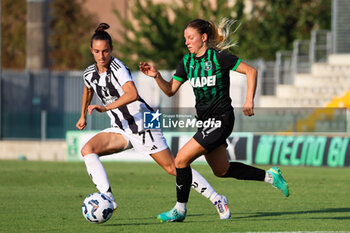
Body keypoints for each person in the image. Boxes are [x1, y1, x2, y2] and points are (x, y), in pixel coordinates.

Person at [75, 22, 232, 220]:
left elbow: (132, 94)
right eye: (97, 52)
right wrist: (82, 115)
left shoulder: (118, 68)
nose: (101, 56)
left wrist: (105, 107)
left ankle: (217, 198)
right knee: (88, 150)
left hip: (144, 120)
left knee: (174, 167)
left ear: (111, 50)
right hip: (122, 126)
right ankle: (107, 196)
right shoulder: (89, 73)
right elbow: (88, 88)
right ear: (92, 50)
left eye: (105, 51)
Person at [139, 18, 289, 222]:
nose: (187, 42)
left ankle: (180, 209)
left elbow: (251, 71)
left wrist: (248, 100)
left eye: (190, 38)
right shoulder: (186, 62)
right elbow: (170, 91)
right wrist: (156, 76)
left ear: (203, 38)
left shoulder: (218, 58)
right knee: (222, 170)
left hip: (221, 119)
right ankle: (271, 176)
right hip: (204, 122)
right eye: (185, 38)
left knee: (181, 160)